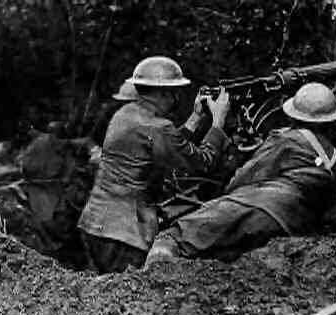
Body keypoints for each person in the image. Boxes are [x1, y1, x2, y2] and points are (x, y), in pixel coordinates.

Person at [145, 82, 336, 267]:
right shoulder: (333, 156)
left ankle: (151, 285)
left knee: (173, 237)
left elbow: (242, 180)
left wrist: (218, 124)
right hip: (294, 224)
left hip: (264, 207)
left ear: (293, 115)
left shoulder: (287, 140)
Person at [77, 56, 231, 273]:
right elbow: (203, 163)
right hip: (124, 235)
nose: (176, 99)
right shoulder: (158, 127)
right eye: (173, 92)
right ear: (161, 93)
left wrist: (196, 119)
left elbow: (166, 146)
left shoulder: (126, 114)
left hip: (96, 224)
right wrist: (218, 123)